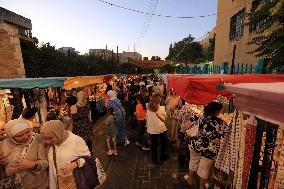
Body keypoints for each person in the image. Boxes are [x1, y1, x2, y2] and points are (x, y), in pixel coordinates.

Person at [186, 101, 229, 189]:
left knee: (193, 163)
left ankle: (190, 181)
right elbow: (227, 135)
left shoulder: (197, 117)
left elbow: (186, 126)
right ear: (216, 111)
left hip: (195, 145)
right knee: (203, 169)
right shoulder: (220, 123)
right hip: (209, 149)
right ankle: (202, 187)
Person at [40, 120, 91, 189]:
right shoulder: (50, 145)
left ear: (58, 133)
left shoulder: (75, 140)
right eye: (45, 139)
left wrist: (75, 164)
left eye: (50, 138)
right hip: (59, 183)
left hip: (75, 182)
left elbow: (88, 158)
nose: (48, 141)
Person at [0, 119, 48, 189]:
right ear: (11, 137)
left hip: (35, 184)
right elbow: (3, 165)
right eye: (19, 136)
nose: (26, 136)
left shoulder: (38, 140)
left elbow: (46, 162)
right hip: (11, 184)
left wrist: (33, 165)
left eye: (27, 132)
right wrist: (2, 165)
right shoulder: (4, 144)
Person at [146, 94, 168, 164]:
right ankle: (163, 156)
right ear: (159, 100)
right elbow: (163, 119)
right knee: (163, 143)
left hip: (151, 128)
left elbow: (147, 118)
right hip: (161, 128)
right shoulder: (161, 108)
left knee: (154, 144)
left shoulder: (148, 107)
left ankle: (154, 157)